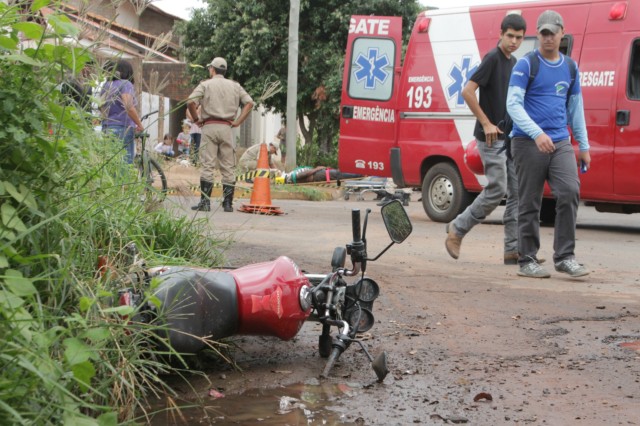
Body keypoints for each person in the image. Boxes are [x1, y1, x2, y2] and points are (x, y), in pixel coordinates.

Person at [506, 10, 591, 278]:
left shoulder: (570, 67)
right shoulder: (526, 65)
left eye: (552, 33)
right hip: (527, 142)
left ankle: (565, 256)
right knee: (530, 201)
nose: (548, 38)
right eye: (543, 33)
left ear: (561, 33)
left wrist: (584, 147)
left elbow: (576, 109)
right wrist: (536, 134)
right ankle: (527, 259)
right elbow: (513, 105)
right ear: (538, 34)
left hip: (560, 141)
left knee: (569, 192)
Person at [445, 13, 527, 265]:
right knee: (497, 189)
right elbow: (468, 91)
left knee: (517, 193)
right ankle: (457, 229)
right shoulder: (492, 58)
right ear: (501, 34)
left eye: (519, 37)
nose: (513, 41)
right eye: (510, 36)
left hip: (509, 137)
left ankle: (512, 250)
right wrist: (486, 122)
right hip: (490, 138)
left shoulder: (513, 62)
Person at [187, 57, 254, 212]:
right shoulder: (235, 86)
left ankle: (205, 202)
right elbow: (249, 102)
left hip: (209, 126)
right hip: (227, 128)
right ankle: (228, 203)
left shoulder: (205, 85)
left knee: (207, 165)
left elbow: (190, 101)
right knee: (228, 166)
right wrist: (237, 121)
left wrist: (196, 119)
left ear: (212, 69)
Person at [99, 60, 144, 164]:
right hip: (123, 129)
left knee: (109, 164)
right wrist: (139, 124)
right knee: (124, 165)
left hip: (107, 128)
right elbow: (129, 106)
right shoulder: (126, 84)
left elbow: (100, 106)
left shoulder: (106, 85)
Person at [274, 166, 362, 184]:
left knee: (338, 173)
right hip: (317, 175)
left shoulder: (291, 176)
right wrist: (317, 168)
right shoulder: (292, 176)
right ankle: (359, 174)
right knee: (338, 174)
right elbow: (307, 173)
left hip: (317, 174)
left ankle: (359, 173)